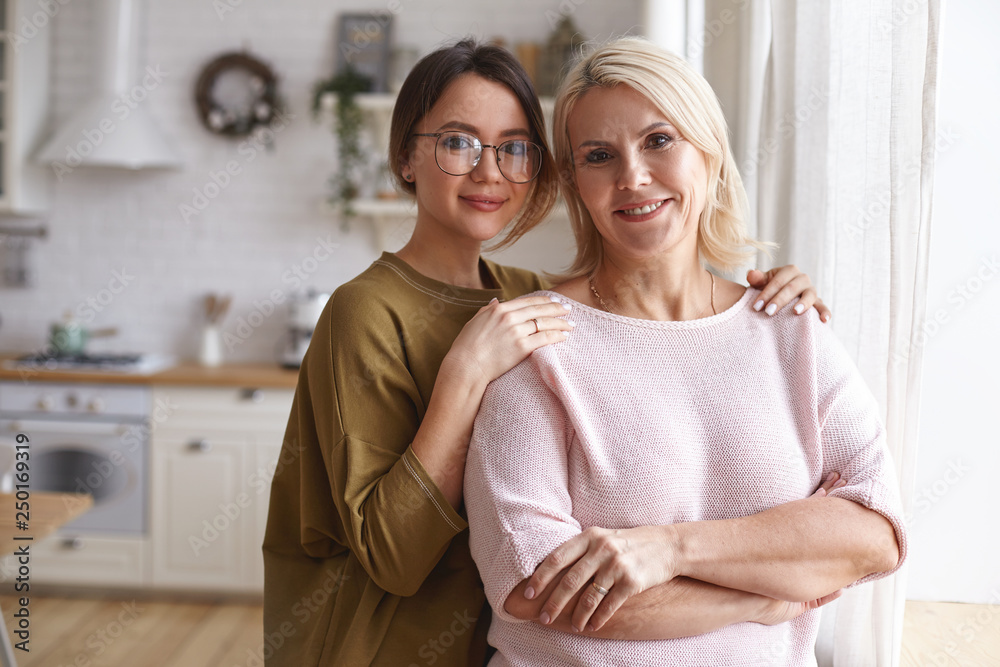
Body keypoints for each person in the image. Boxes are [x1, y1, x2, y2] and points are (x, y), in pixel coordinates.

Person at [262, 39, 832, 666]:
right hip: (378, 649)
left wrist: (772, 294)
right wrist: (465, 375)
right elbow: (392, 557)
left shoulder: (530, 298)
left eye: (513, 148)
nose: (489, 172)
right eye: (458, 143)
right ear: (405, 158)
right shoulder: (363, 311)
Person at [464, 37, 907, 666]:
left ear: (710, 152)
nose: (632, 177)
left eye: (659, 140)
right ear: (575, 185)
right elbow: (536, 587)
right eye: (598, 156)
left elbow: (877, 535)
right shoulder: (537, 347)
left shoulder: (791, 329)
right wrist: (758, 598)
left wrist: (671, 549)